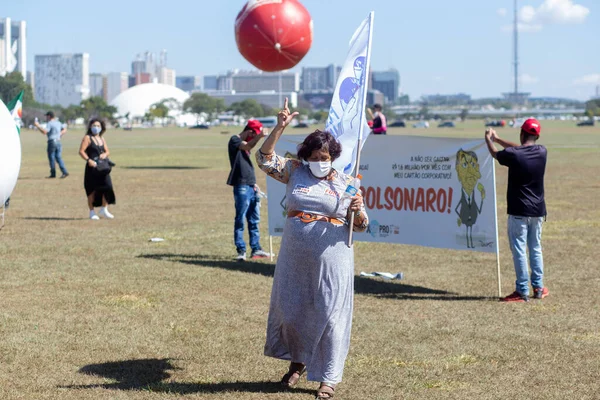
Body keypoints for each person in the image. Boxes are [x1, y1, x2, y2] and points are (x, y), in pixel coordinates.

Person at [256, 98, 369, 399]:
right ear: (306, 155)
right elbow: (264, 159)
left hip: (332, 260)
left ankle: (328, 378)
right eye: (316, 155)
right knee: (293, 313)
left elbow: (361, 226)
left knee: (331, 318)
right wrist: (279, 128)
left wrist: (357, 208)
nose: (322, 160)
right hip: (295, 258)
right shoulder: (294, 171)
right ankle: (298, 363)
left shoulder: (348, 183)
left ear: (334, 156)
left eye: (327, 156)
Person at [485, 119, 548, 302]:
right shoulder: (542, 151)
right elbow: (518, 149)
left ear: (522, 134)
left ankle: (522, 290)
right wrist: (498, 139)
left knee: (519, 250)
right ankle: (538, 287)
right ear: (537, 136)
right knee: (535, 249)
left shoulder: (515, 155)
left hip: (519, 210)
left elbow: (495, 155)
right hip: (538, 211)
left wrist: (489, 139)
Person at [227, 119, 271, 261]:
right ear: (249, 131)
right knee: (240, 218)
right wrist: (259, 137)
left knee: (254, 219)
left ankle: (256, 249)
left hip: (250, 185)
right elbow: (247, 146)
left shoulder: (246, 143)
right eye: (253, 135)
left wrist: (254, 183)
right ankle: (241, 250)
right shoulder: (235, 140)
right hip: (241, 186)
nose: (254, 139)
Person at [78, 119, 116, 220]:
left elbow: (108, 151)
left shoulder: (101, 138)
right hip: (92, 168)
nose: (96, 127)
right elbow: (81, 151)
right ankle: (92, 212)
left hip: (102, 168)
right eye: (94, 125)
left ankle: (104, 209)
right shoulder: (87, 138)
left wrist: (105, 154)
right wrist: (88, 160)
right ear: (90, 126)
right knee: (92, 190)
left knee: (107, 187)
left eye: (98, 126)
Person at [34, 111, 69, 178]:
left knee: (52, 158)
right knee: (58, 157)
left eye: (46, 116)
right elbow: (64, 129)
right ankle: (64, 172)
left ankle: (53, 174)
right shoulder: (58, 123)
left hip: (52, 142)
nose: (46, 118)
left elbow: (45, 132)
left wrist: (37, 125)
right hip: (58, 141)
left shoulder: (50, 123)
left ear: (49, 116)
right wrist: (59, 135)